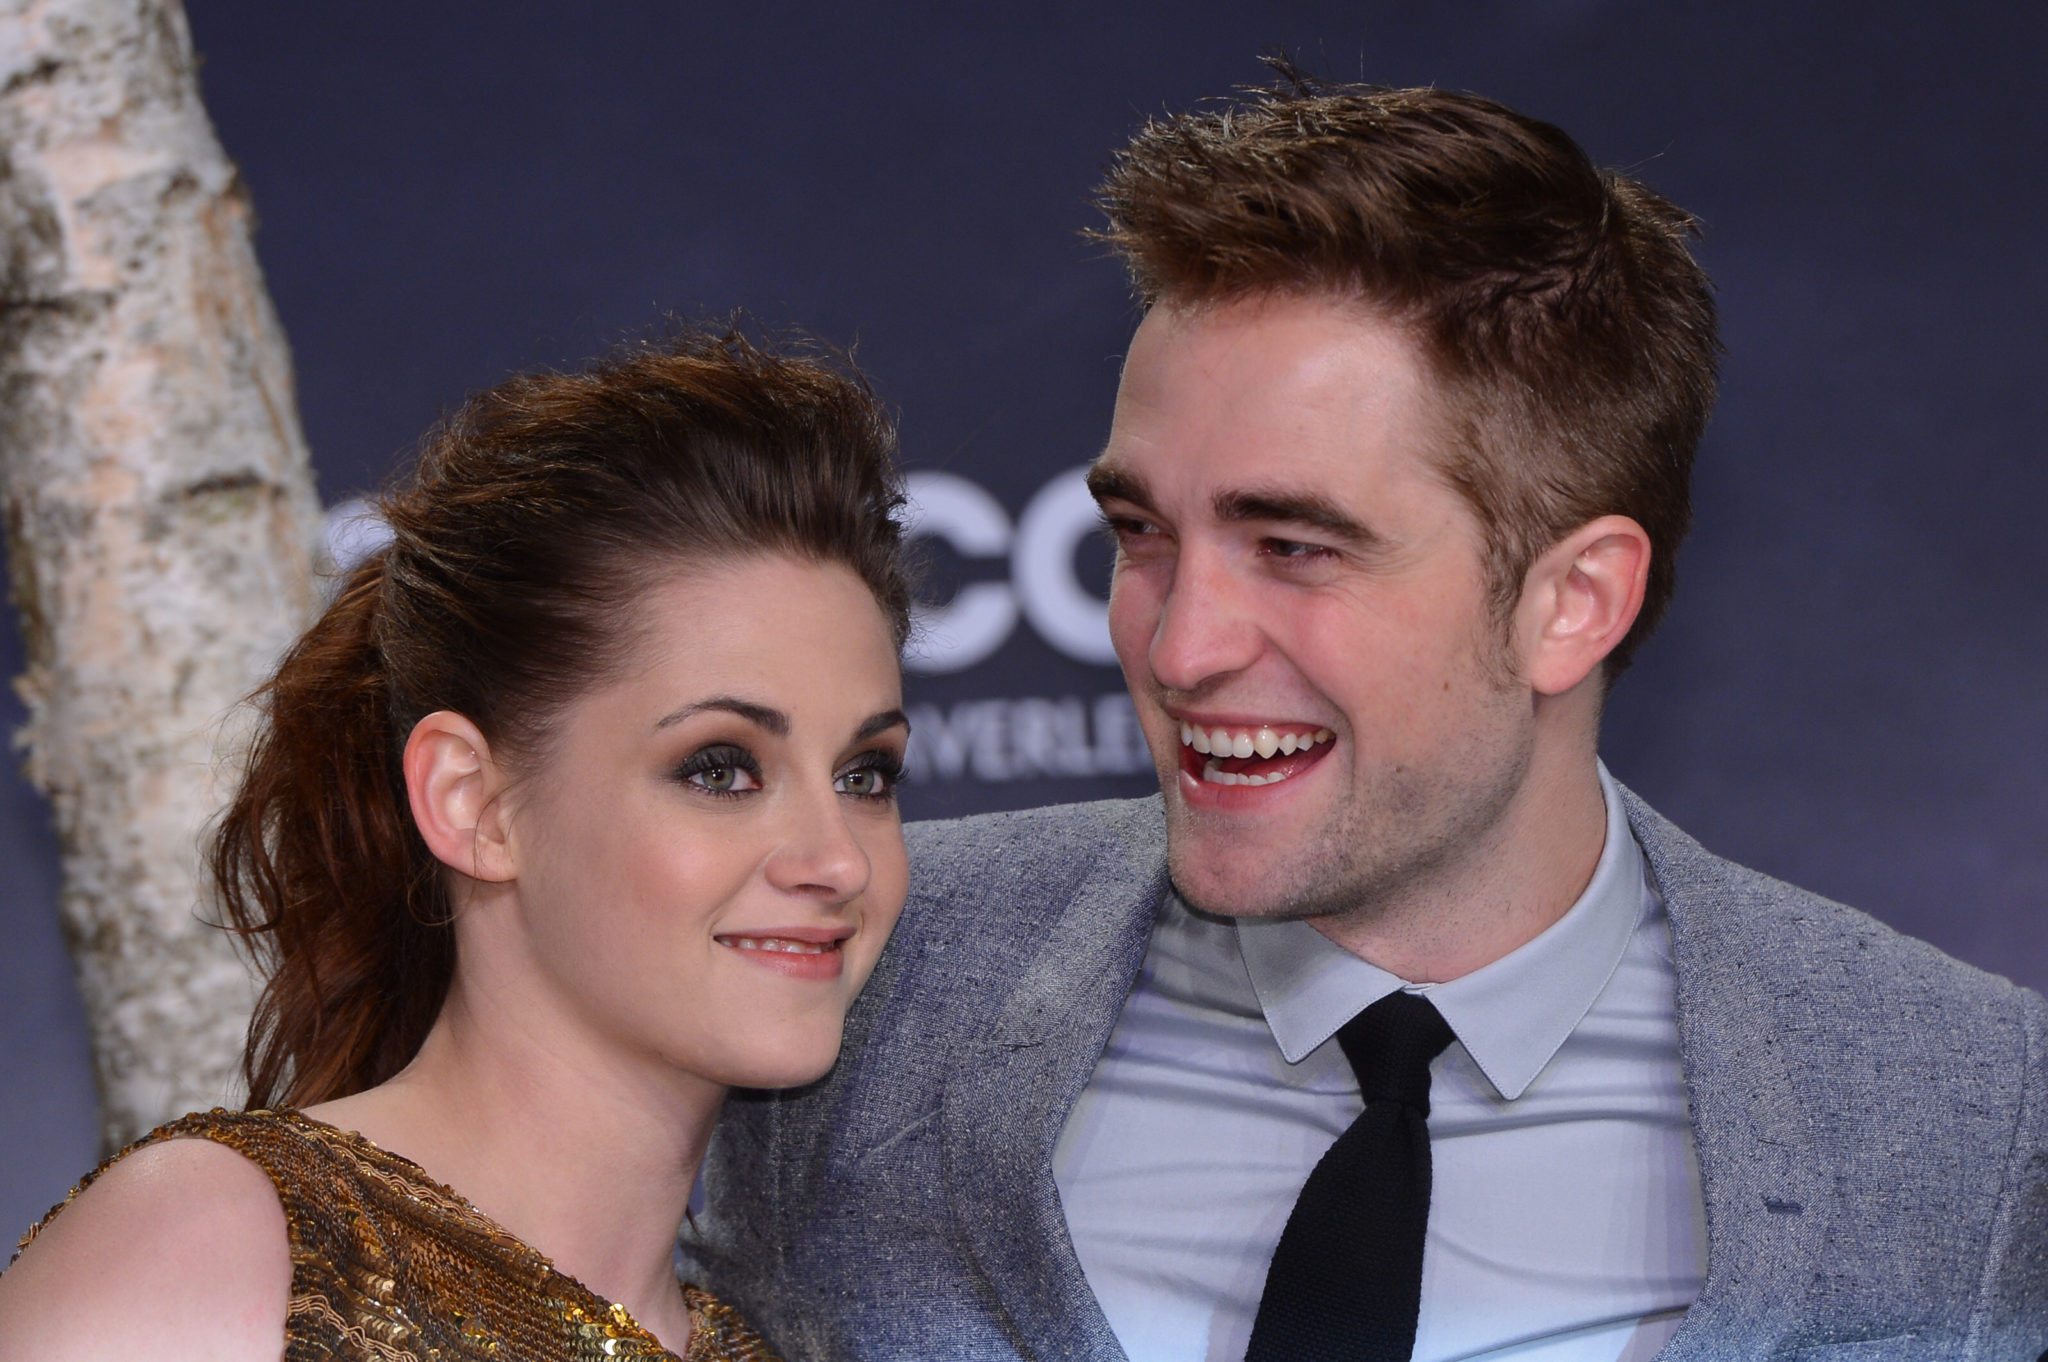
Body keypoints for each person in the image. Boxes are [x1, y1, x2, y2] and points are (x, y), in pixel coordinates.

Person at [681, 72, 2048, 1361]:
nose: (1178, 644)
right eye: (1142, 532)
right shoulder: (860, 975)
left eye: (1293, 547)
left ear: (1572, 602)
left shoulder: (1977, 1115)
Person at [0, 331, 917, 1361]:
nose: (837, 861)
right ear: (473, 802)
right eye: (719, 769)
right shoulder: (216, 1260)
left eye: (864, 775)